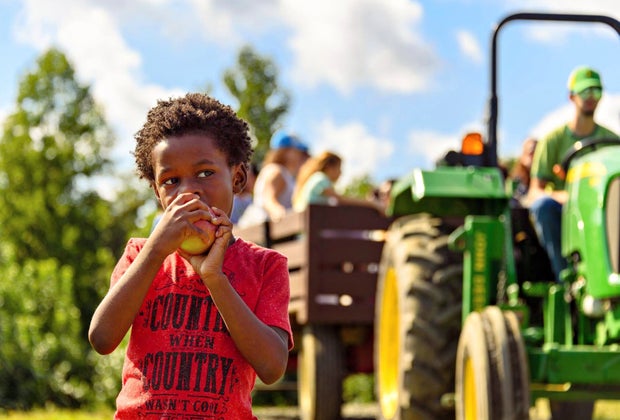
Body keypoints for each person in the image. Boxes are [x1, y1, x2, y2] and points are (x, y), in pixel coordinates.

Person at [88, 93, 293, 419]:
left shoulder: (265, 265)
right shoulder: (141, 255)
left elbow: (271, 367)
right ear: (158, 193)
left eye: (205, 173)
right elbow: (101, 337)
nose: (188, 192)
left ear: (237, 178)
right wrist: (156, 249)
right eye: (171, 181)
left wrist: (214, 277)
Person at [528, 66, 619, 280]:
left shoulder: (612, 140)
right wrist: (565, 197)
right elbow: (534, 192)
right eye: (585, 92)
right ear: (572, 96)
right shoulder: (553, 140)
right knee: (543, 207)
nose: (591, 97)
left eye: (596, 91)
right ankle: (565, 279)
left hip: (600, 206)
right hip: (562, 211)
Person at [237, 131, 309, 227]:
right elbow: (269, 199)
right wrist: (281, 214)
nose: (300, 155)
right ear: (286, 152)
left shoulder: (282, 173)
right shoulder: (276, 172)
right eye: (297, 151)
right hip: (264, 232)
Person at [292, 150, 385, 213]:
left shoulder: (313, 179)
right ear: (329, 167)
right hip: (312, 231)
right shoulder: (321, 179)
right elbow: (341, 200)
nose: (341, 173)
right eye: (339, 168)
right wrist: (371, 204)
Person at [510, 137, 537, 206]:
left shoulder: (547, 176)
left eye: (537, 153)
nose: (535, 157)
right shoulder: (517, 179)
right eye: (531, 153)